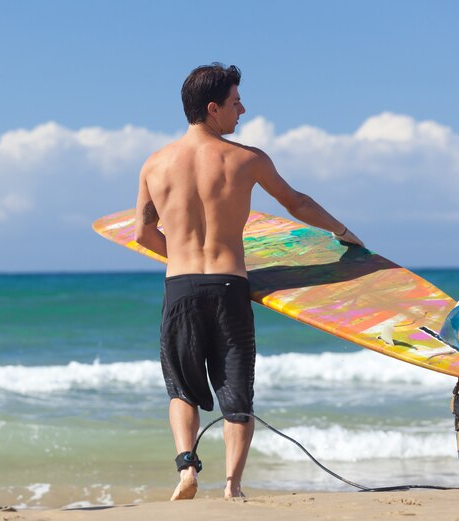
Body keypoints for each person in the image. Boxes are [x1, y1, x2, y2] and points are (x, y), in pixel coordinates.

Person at [134, 63, 364, 501]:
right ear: (213, 108)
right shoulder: (246, 159)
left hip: (180, 288)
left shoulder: (154, 164)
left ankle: (186, 469)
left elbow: (143, 233)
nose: (243, 110)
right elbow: (297, 202)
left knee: (181, 387)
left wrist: (183, 257)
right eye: (236, 103)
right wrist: (342, 233)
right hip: (229, 288)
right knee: (236, 389)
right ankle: (232, 486)